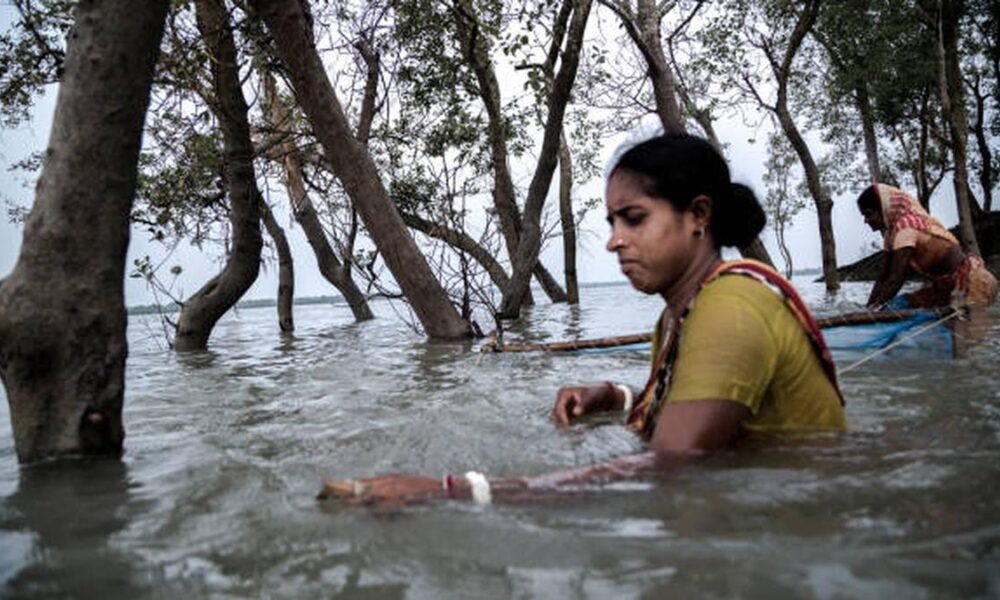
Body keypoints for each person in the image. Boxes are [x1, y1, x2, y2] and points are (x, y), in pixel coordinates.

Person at [319, 133, 847, 507]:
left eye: (634, 219)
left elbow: (671, 466)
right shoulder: (680, 315)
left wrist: (452, 492)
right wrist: (615, 397)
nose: (615, 240)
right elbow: (694, 403)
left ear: (699, 215)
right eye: (613, 221)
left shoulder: (732, 308)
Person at [857, 184, 997, 309]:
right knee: (903, 303)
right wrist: (869, 308)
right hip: (946, 289)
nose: (866, 221)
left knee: (966, 327)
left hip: (974, 284)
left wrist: (877, 310)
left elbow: (896, 279)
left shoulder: (906, 229)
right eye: (863, 216)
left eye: (869, 214)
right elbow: (883, 278)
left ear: (883, 209)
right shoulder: (891, 235)